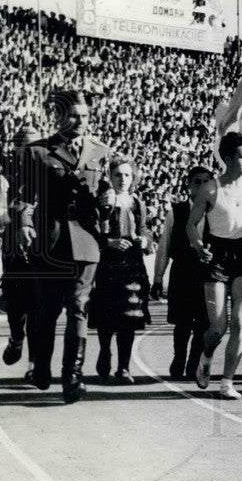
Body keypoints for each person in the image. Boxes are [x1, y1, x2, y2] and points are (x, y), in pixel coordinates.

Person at [12, 89, 114, 403]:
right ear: (59, 116)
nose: (81, 121)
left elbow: (104, 190)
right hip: (51, 241)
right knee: (47, 310)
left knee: (79, 308)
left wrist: (107, 200)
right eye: (74, 115)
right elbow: (21, 197)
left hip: (86, 240)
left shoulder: (99, 151)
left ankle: (73, 377)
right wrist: (25, 223)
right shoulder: (38, 152)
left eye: (85, 116)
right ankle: (41, 364)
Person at [187, 132, 242, 400]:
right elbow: (191, 225)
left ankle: (227, 382)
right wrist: (198, 246)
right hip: (217, 254)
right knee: (217, 327)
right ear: (228, 159)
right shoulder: (211, 189)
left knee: (240, 324)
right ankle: (206, 356)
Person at [89, 157, 152, 384]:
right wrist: (110, 242)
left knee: (130, 315)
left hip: (132, 263)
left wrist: (144, 241)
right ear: (110, 176)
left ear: (133, 178)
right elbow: (94, 231)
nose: (122, 179)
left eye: (127, 175)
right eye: (118, 175)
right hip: (108, 263)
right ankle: (105, 351)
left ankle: (124, 367)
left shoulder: (137, 202)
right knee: (107, 315)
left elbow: (145, 229)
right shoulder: (103, 201)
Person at [151, 166, 212, 381]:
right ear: (189, 185)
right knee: (183, 321)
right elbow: (164, 245)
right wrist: (158, 277)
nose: (203, 185)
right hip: (183, 271)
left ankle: (194, 360)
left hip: (207, 274)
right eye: (197, 181)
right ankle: (179, 357)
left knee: (204, 323)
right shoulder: (176, 211)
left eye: (207, 181)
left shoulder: (216, 212)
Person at [0, 124, 42, 382]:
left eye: (35, 144)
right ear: (16, 148)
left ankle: (34, 362)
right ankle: (16, 336)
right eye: (24, 145)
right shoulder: (7, 175)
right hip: (14, 249)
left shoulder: (49, 172)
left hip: (41, 248)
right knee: (16, 306)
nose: (30, 150)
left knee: (38, 308)